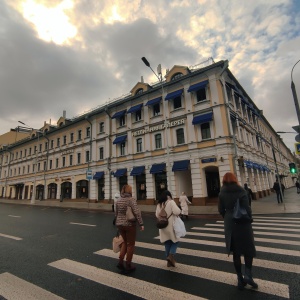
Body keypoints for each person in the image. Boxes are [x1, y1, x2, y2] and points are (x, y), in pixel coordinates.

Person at [218, 172, 257, 290]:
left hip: (230, 223)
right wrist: (250, 218)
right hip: (243, 223)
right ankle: (248, 276)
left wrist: (228, 216)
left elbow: (221, 210)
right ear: (235, 179)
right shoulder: (241, 191)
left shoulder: (222, 192)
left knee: (236, 252)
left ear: (224, 180)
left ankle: (240, 279)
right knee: (248, 250)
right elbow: (247, 208)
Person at [115, 184, 144, 273]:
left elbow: (116, 213)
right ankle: (128, 264)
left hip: (119, 224)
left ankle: (120, 261)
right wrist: (141, 223)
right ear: (129, 191)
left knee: (124, 242)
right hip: (129, 224)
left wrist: (118, 222)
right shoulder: (131, 200)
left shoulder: (118, 200)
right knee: (130, 244)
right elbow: (137, 212)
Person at [155, 190, 181, 267]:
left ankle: (169, 261)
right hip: (171, 226)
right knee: (175, 241)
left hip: (162, 226)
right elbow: (177, 212)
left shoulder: (159, 204)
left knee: (167, 242)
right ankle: (171, 256)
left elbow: (157, 215)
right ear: (169, 196)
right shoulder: (171, 202)